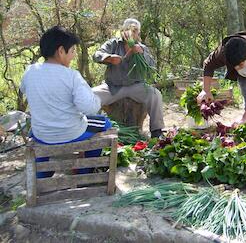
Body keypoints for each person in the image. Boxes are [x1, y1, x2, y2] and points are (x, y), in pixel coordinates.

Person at [20, 26, 112, 178]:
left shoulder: (30, 71)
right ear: (61, 51)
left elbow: (24, 90)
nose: (74, 56)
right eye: (73, 51)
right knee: (105, 124)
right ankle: (84, 171)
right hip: (71, 132)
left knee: (38, 132)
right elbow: (89, 108)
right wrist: (96, 99)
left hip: (41, 133)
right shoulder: (71, 76)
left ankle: (43, 175)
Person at [92, 18, 164, 138]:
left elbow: (152, 66)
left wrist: (141, 54)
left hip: (136, 86)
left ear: (138, 34)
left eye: (135, 31)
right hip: (112, 87)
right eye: (128, 30)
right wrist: (108, 58)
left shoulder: (142, 48)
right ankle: (93, 129)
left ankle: (157, 131)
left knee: (155, 95)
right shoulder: (113, 44)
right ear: (123, 31)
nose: (131, 33)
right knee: (91, 95)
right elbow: (96, 55)